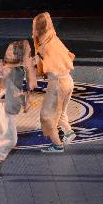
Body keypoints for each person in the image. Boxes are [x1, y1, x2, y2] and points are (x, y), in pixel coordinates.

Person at [0, 40, 37, 179]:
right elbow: (5, 77)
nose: (30, 55)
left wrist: (23, 99)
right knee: (10, 140)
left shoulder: (19, 68)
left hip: (4, 105)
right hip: (5, 107)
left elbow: (16, 87)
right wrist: (2, 74)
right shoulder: (11, 69)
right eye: (28, 53)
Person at [32, 12, 76, 153]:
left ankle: (57, 145)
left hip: (57, 84)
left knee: (46, 115)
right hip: (68, 81)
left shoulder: (43, 47)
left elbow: (38, 69)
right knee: (60, 112)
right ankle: (69, 132)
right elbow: (69, 56)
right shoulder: (54, 38)